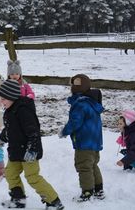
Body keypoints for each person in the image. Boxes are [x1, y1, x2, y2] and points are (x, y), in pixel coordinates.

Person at [0, 79, 64, 209]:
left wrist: (32, 149)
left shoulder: (23, 111)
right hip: (16, 150)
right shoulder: (10, 110)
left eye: (3, 99)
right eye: (0, 99)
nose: (1, 102)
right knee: (10, 173)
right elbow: (10, 128)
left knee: (32, 176)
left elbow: (34, 132)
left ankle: (54, 202)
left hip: (29, 151)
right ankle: (18, 199)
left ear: (12, 98)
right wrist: (2, 139)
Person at [58, 74, 105, 202]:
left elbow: (75, 122)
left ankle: (87, 192)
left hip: (84, 142)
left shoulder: (80, 104)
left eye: (72, 85)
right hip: (95, 141)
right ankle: (98, 189)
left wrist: (64, 131)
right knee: (93, 165)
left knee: (84, 166)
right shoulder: (91, 101)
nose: (70, 88)